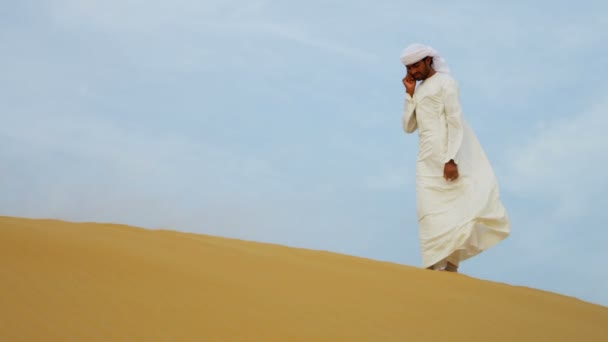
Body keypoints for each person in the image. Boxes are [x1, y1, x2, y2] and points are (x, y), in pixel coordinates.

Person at [400, 43, 510, 272]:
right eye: (409, 68)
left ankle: (451, 265)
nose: (413, 72)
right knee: (427, 212)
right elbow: (408, 127)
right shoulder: (418, 90)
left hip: (446, 155)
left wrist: (450, 159)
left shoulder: (445, 82)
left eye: (416, 66)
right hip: (425, 158)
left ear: (429, 60)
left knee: (456, 210)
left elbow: (455, 121)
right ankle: (430, 265)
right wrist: (409, 95)